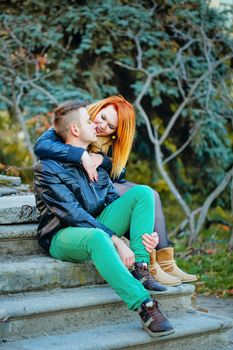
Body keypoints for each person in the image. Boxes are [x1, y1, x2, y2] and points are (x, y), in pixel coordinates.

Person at [33, 101, 174, 337]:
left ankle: (140, 267)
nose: (97, 125)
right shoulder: (47, 168)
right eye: (91, 120)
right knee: (99, 238)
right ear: (76, 130)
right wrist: (117, 242)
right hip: (63, 233)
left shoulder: (97, 164)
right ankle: (145, 306)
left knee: (143, 193)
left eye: (109, 125)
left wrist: (142, 237)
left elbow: (114, 204)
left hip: (96, 224)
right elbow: (74, 215)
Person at [34, 95, 197, 286]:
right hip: (69, 185)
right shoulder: (75, 120)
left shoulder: (106, 141)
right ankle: (152, 263)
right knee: (144, 196)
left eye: (110, 126)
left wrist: (103, 160)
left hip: (97, 186)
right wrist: (81, 155)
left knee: (149, 194)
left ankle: (161, 260)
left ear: (115, 132)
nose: (102, 125)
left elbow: (119, 171)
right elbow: (41, 146)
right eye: (102, 117)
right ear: (99, 108)